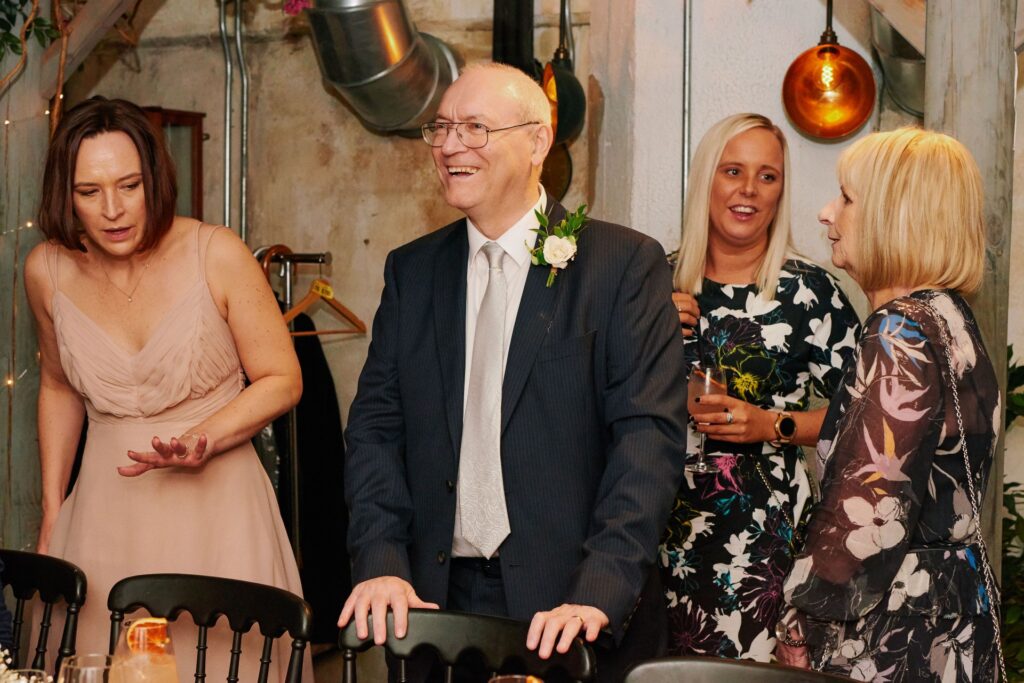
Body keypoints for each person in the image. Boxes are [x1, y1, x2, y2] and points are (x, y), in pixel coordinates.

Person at [339, 62, 688, 682]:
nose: (450, 146)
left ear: (537, 141)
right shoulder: (413, 272)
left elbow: (646, 442)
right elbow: (375, 432)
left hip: (569, 607)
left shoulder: (621, 265)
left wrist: (598, 591)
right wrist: (383, 562)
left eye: (475, 128)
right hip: (434, 605)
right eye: (441, 128)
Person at [25, 96, 310, 682]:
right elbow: (58, 386)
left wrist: (205, 436)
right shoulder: (46, 270)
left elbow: (283, 378)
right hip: (102, 513)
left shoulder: (216, 252)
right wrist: (54, 511)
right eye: (89, 191)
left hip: (218, 510)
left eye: (128, 186)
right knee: (94, 662)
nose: (112, 209)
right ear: (64, 195)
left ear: (153, 178)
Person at [776, 128, 1001, 681]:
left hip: (896, 634)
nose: (827, 213)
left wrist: (800, 623)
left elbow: (867, 510)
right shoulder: (951, 318)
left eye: (847, 198)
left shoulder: (899, 331)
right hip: (954, 615)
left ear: (895, 216)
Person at [659, 113, 860, 661]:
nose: (748, 189)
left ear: (780, 191)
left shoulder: (809, 292)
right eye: (733, 171)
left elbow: (864, 419)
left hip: (765, 545)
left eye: (767, 176)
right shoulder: (653, 281)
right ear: (706, 179)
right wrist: (645, 332)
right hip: (655, 537)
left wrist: (772, 424)